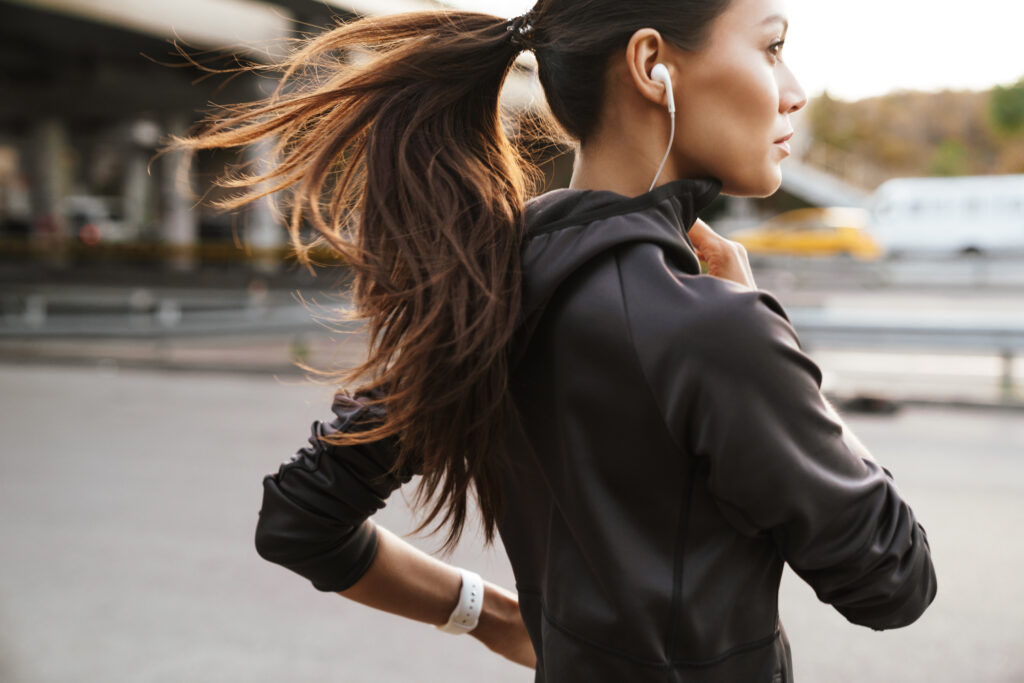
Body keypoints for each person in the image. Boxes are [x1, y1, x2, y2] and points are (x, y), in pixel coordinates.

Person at [165, 0, 937, 680]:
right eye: (772, 47)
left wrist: (495, 618)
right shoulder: (719, 330)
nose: (794, 89)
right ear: (650, 65)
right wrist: (775, 348)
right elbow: (893, 580)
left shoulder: (486, 287)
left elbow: (300, 520)